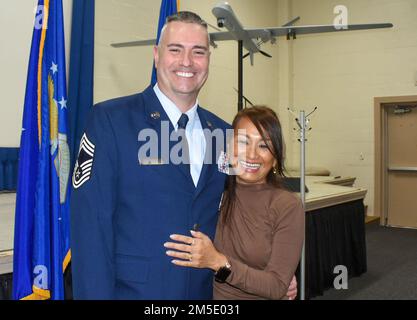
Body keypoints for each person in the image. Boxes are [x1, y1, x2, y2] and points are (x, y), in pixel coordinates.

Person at [70, 11, 297, 299]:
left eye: (198, 52)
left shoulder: (224, 134)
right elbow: (91, 229)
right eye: (175, 50)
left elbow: (245, 210)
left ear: (208, 61)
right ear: (156, 55)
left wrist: (270, 269)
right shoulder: (111, 121)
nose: (187, 62)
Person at [165, 106, 305, 300]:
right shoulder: (212, 192)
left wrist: (218, 262)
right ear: (229, 148)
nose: (252, 155)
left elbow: (277, 287)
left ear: (275, 159)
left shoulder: (287, 205)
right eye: (243, 142)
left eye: (264, 146)